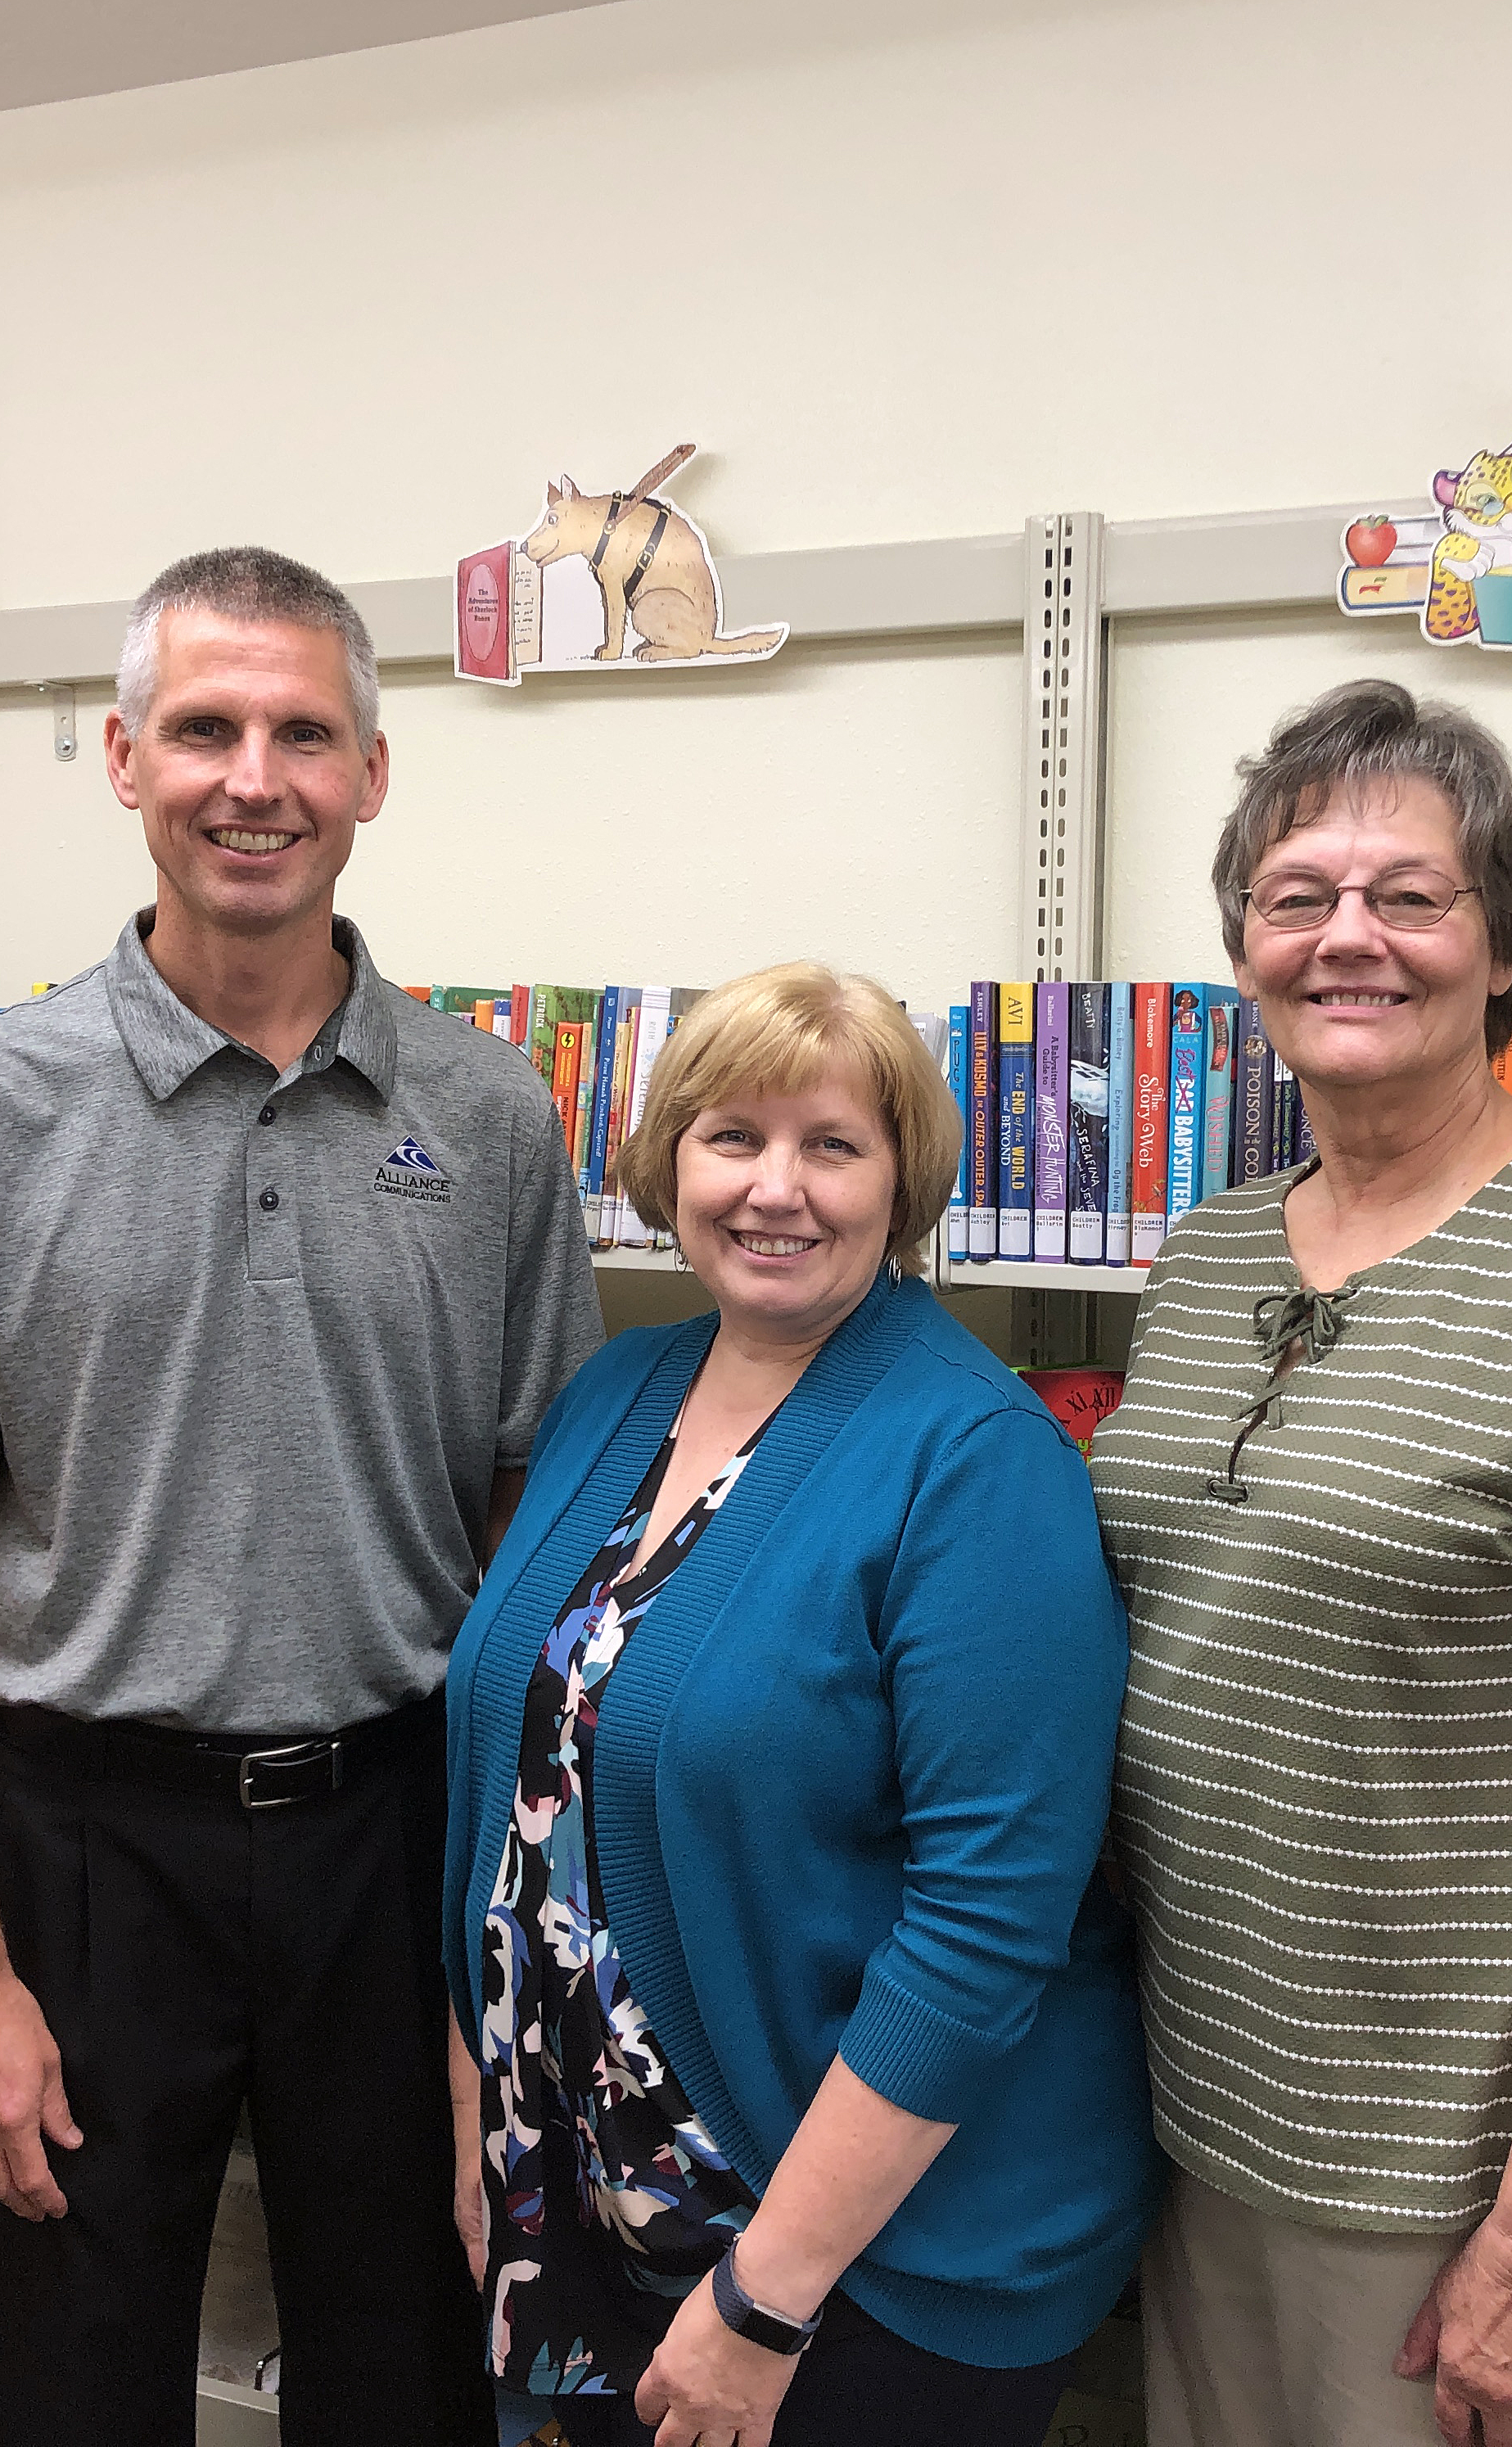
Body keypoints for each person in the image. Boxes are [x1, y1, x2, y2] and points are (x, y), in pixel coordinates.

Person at [0, 547, 605, 2445]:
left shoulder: (492, 1118)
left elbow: (527, 1531)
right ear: (122, 757)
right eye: (207, 729)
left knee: (405, 2372)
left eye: (305, 733)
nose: (257, 777)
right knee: (73, 2388)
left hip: (393, 1840)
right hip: (80, 1850)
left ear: (374, 775)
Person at [1090, 681, 1512, 2447]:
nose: (1350, 939)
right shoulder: (1210, 1250)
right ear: (1244, 944)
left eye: (1410, 896)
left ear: (1504, 949)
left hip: (1453, 2180)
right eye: (1298, 894)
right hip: (1201, 2116)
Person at [445, 961, 1155, 2447]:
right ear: (666, 1165)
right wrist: (484, 2110)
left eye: (834, 1145)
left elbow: (985, 1927)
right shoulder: (617, 1388)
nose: (778, 1189)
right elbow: (512, 1788)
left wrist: (766, 2295)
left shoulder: (979, 1460)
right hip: (588, 2208)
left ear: (902, 1185)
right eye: (732, 1137)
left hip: (846, 2269)